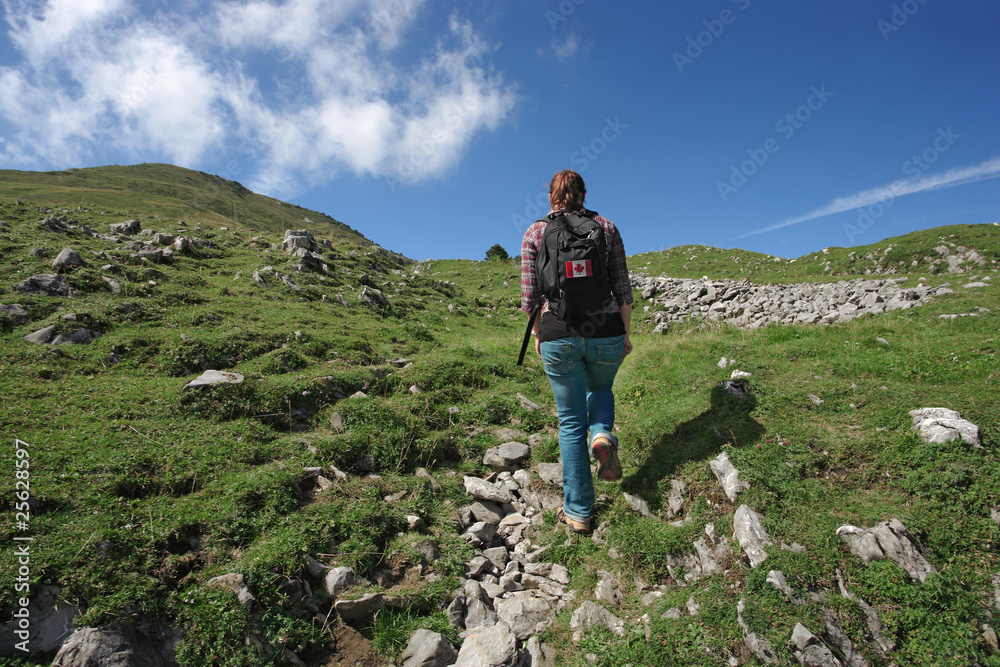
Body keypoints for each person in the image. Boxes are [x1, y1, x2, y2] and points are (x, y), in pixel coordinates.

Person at [519, 169, 633, 533]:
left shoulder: (535, 232)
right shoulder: (608, 227)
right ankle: (602, 435)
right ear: (583, 193)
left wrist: (540, 333)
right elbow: (623, 289)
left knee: (569, 424)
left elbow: (528, 298)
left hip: (558, 331)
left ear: (551, 196)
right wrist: (625, 333)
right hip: (606, 330)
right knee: (601, 388)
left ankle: (579, 512)